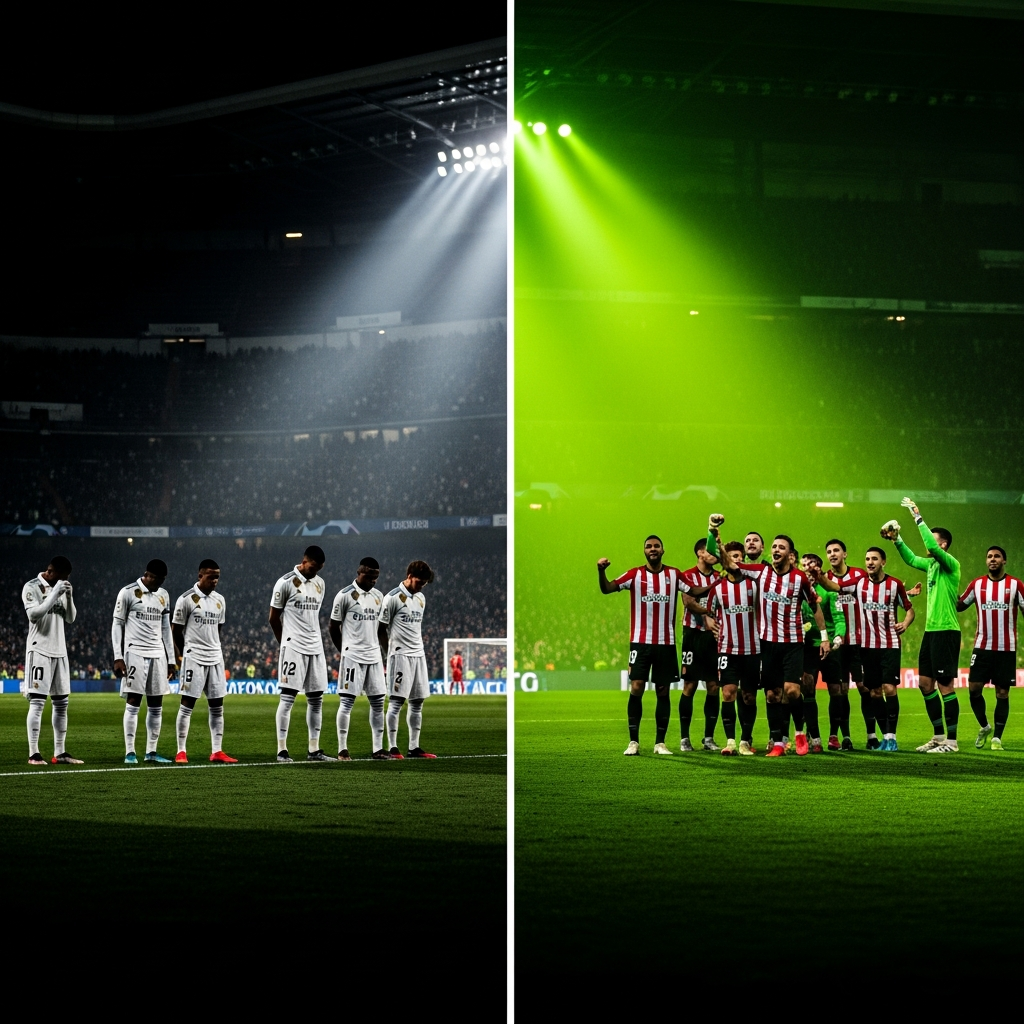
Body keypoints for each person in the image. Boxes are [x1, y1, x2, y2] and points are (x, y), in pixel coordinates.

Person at [706, 518, 830, 756]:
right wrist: (714, 534)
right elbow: (727, 563)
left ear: (790, 554)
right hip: (767, 644)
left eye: (781, 547)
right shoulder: (760, 573)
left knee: (793, 691)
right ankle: (778, 743)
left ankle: (800, 732)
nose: (776, 550)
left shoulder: (800, 578)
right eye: (774, 546)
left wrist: (824, 637)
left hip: (793, 643)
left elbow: (815, 606)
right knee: (772, 695)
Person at [598, 535, 711, 755]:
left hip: (666, 643)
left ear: (662, 550)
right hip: (640, 643)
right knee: (637, 687)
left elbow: (694, 591)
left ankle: (660, 743)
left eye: (656, 546)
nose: (653, 549)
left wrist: (717, 583)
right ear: (644, 551)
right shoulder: (634, 574)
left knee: (662, 690)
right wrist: (601, 571)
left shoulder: (674, 574)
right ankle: (634, 742)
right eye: (649, 546)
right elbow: (608, 588)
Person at [814, 547, 914, 751]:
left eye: (874, 559)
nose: (870, 562)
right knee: (875, 692)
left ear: (883, 562)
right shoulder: (859, 584)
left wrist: (905, 623)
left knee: (889, 688)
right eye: (867, 559)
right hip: (867, 646)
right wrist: (819, 577)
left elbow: (909, 609)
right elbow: (835, 586)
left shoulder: (894, 584)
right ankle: (885, 735)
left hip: (890, 644)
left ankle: (891, 737)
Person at [883, 499, 962, 752]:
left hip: (947, 630)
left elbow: (928, 544)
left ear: (943, 544)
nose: (928, 543)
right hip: (931, 632)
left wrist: (917, 516)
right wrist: (897, 540)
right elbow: (911, 559)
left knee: (944, 685)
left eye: (934, 539)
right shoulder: (930, 566)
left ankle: (952, 741)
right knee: (925, 684)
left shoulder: (951, 564)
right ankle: (938, 737)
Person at [270, 545, 333, 762]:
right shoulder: (285, 583)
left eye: (319, 569)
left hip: (315, 647)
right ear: (304, 561)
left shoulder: (320, 583)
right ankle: (281, 750)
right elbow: (273, 618)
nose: (315, 572)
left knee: (316, 699)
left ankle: (314, 750)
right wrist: (285, 644)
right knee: (288, 699)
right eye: (313, 568)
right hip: (293, 646)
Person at [112, 558, 178, 764]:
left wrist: (171, 659)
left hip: (158, 653)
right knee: (134, 701)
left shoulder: (163, 595)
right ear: (147, 575)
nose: (160, 584)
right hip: (135, 653)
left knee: (156, 703)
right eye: (157, 580)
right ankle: (130, 752)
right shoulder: (128, 592)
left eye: (163, 581)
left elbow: (166, 628)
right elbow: (117, 624)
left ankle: (151, 752)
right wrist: (118, 656)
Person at [957, 545, 1022, 751]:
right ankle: (985, 726)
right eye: (989, 556)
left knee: (1002, 693)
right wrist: (943, 586)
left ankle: (997, 739)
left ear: (1004, 561)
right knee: (974, 690)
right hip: (982, 647)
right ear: (986, 561)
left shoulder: (1016, 585)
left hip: (1006, 648)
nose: (992, 559)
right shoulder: (977, 584)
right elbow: (960, 604)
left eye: (997, 556)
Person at [171, 559, 237, 764]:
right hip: (194, 657)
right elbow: (175, 632)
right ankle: (181, 751)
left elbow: (218, 630)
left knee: (217, 705)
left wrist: (213, 646)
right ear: (200, 576)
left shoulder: (220, 600)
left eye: (217, 576)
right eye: (211, 576)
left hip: (215, 657)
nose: (215, 580)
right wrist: (182, 655)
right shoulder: (186, 599)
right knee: (187, 704)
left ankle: (217, 751)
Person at [22, 555, 83, 766]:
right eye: (62, 577)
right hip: (39, 650)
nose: (64, 580)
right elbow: (34, 615)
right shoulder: (32, 587)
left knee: (61, 705)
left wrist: (69, 596)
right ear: (51, 572)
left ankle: (60, 752)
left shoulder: (61, 587)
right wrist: (55, 592)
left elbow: (70, 618)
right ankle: (34, 753)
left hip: (60, 651)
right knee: (38, 703)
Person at [704, 535, 761, 755]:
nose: (734, 560)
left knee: (749, 696)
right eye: (731, 556)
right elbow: (708, 613)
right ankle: (730, 741)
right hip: (727, 648)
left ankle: (746, 741)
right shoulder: (717, 587)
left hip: (752, 648)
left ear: (743, 559)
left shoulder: (755, 584)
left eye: (738, 556)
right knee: (727, 693)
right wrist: (708, 621)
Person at [329, 556, 388, 760]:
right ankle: (342, 748)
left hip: (374, 657)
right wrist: (344, 650)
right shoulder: (344, 596)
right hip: (353, 656)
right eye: (371, 576)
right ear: (360, 572)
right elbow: (333, 627)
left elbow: (381, 628)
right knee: (347, 702)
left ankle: (378, 748)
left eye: (376, 577)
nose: (374, 580)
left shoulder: (379, 596)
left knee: (378, 703)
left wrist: (385, 652)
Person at [380, 560, 437, 759]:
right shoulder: (392, 598)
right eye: (419, 582)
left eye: (424, 583)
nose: (421, 586)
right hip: (400, 655)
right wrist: (390, 653)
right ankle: (393, 747)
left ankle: (414, 747)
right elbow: (381, 629)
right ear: (409, 576)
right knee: (396, 702)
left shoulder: (421, 598)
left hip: (418, 655)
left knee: (417, 702)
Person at [799, 553, 847, 753]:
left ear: (818, 569)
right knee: (808, 689)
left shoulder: (829, 592)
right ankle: (814, 738)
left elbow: (839, 618)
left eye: (811, 565)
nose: (807, 569)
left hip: (830, 648)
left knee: (836, 690)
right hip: (808, 648)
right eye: (804, 565)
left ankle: (833, 736)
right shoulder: (797, 590)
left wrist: (838, 637)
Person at [679, 538, 722, 751]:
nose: (715, 555)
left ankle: (708, 738)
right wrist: (708, 613)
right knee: (690, 685)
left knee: (714, 686)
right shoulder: (687, 575)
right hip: (693, 635)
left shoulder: (719, 576)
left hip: (714, 637)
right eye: (711, 551)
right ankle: (684, 738)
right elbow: (689, 602)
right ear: (700, 553)